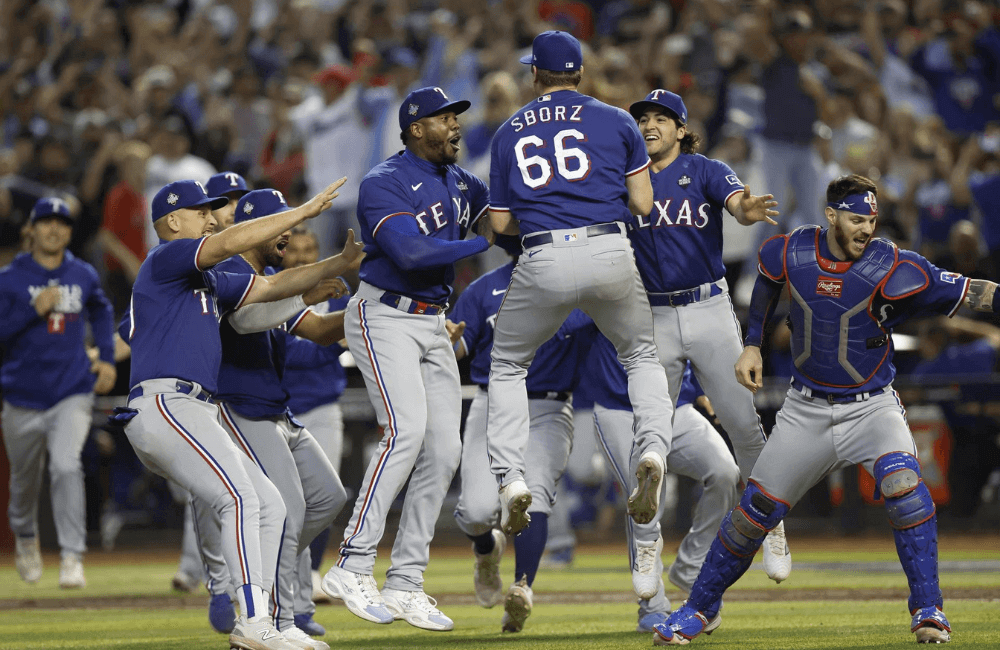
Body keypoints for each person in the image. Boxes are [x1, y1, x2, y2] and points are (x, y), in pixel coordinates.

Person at [651, 174, 1000, 645]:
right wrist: (751, 344)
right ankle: (698, 609)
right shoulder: (792, 251)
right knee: (753, 513)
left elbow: (968, 290)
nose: (866, 229)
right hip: (805, 409)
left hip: (872, 408)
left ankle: (929, 610)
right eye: (857, 218)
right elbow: (767, 285)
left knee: (906, 487)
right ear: (831, 215)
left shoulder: (893, 264)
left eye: (872, 220)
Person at [120, 177, 361, 650]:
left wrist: (336, 264)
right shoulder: (167, 257)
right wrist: (305, 210)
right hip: (167, 402)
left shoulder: (205, 278)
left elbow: (271, 284)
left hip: (193, 408)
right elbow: (230, 241)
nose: (211, 218)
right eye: (200, 212)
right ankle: (251, 620)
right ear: (173, 221)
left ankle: (265, 621)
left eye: (213, 211)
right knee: (243, 501)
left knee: (268, 505)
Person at [485, 30, 672, 538]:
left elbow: (500, 225)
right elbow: (642, 204)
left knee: (506, 366)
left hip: (543, 253)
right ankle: (653, 448)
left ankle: (510, 480)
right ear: (580, 73)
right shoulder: (615, 120)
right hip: (609, 247)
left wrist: (547, 219)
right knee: (640, 356)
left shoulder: (508, 131)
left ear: (534, 76)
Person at [320, 86, 492, 632]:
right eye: (445, 119)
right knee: (406, 432)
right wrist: (479, 244)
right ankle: (350, 563)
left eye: (457, 118)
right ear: (416, 128)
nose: (455, 126)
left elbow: (507, 223)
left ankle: (406, 582)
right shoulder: (383, 182)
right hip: (383, 315)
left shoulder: (463, 181)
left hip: (431, 321)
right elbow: (411, 253)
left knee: (445, 450)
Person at [625, 89, 792, 582]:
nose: (649, 125)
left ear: (681, 129)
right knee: (649, 434)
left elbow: (736, 204)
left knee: (744, 425)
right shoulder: (624, 180)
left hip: (709, 308)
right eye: (643, 119)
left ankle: (772, 524)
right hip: (653, 315)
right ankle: (647, 543)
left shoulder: (704, 169)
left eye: (660, 118)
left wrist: (747, 208)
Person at [206, 188, 354, 650]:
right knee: (287, 513)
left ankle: (259, 564)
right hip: (239, 408)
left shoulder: (271, 277)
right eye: (280, 223)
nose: (286, 233)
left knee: (328, 498)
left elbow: (320, 330)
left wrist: (373, 312)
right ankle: (280, 621)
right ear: (256, 227)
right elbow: (246, 320)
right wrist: (306, 290)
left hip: (277, 410)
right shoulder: (230, 269)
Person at [449, 246, 596, 633]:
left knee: (536, 494)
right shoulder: (484, 289)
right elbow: (457, 346)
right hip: (492, 403)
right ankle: (486, 550)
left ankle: (521, 587)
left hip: (549, 406)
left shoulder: (578, 289)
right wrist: (446, 340)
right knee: (477, 511)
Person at [585, 338, 739, 633]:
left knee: (724, 472)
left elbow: (691, 340)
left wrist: (703, 389)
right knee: (642, 494)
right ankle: (652, 605)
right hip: (619, 409)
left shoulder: (671, 294)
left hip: (675, 407)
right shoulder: (605, 293)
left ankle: (692, 564)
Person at [1, 197, 116, 589]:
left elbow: (101, 312)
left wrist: (106, 359)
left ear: (69, 231)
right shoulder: (9, 278)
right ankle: (27, 537)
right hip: (21, 395)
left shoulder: (82, 273)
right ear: (31, 229)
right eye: (46, 222)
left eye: (62, 223)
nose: (54, 229)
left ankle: (72, 557)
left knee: (67, 466)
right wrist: (29, 312)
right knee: (23, 483)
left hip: (71, 390)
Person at [278, 227, 352, 606]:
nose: (304, 257)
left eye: (311, 249)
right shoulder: (271, 290)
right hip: (277, 410)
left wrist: (329, 343)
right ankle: (276, 573)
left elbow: (356, 337)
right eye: (296, 250)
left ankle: (310, 573)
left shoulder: (338, 290)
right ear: (283, 253)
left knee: (325, 494)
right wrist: (330, 343)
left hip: (323, 405)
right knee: (282, 501)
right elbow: (294, 355)